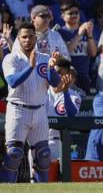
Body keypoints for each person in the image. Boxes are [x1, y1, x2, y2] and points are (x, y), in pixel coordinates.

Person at [0, 22, 60, 183]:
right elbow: (12, 81)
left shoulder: (45, 58)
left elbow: (55, 83)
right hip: (18, 109)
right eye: (24, 37)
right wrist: (30, 67)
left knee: (43, 155)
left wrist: (52, 69)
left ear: (36, 38)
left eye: (31, 36)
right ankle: (6, 188)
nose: (27, 40)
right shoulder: (11, 58)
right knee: (14, 154)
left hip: (40, 110)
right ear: (18, 38)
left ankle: (39, 188)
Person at [46, 58, 81, 160]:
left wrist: (65, 92)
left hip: (58, 143)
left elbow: (71, 114)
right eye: (54, 72)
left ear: (68, 76)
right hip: (38, 141)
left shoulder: (74, 96)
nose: (57, 76)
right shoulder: (41, 91)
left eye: (60, 73)